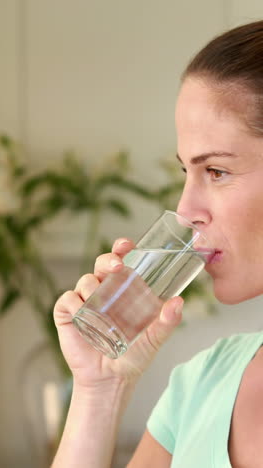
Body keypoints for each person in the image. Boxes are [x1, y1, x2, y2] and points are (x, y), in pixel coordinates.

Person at [51, 20, 263, 468]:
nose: (185, 211)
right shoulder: (201, 384)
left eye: (217, 171)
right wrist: (98, 391)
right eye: (187, 171)